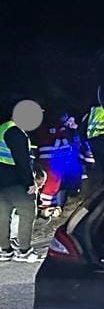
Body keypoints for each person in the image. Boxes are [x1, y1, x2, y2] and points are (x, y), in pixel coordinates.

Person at [1, 99, 44, 262]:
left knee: (2, 216)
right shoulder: (15, 132)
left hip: (1, 183)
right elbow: (22, 159)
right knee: (27, 211)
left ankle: (5, 250)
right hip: (14, 181)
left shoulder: (2, 129)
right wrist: (29, 183)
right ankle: (24, 251)